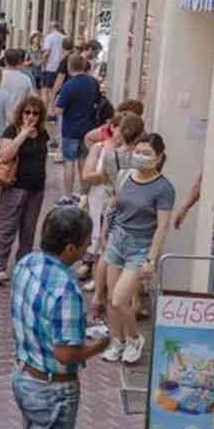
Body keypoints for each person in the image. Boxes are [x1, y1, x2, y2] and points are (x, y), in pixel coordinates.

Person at [6, 206, 109, 429]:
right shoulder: (67, 288)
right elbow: (67, 353)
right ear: (69, 248)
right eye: (85, 243)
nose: (87, 249)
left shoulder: (26, 264)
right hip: (53, 387)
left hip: (24, 375)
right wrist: (99, 345)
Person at [100, 133, 174, 365]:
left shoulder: (164, 189)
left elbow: (162, 227)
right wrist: (106, 229)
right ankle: (118, 341)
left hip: (140, 247)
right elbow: (116, 205)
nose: (141, 157)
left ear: (159, 157)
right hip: (117, 240)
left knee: (120, 299)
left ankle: (134, 338)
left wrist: (151, 259)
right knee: (111, 298)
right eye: (138, 152)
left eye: (147, 153)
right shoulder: (125, 176)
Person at [82, 112, 145, 294]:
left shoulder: (110, 155)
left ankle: (100, 295)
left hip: (111, 206)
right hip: (136, 208)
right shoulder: (141, 158)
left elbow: (102, 177)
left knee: (105, 251)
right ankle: (130, 297)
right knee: (132, 255)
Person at [0, 96, 51, 285]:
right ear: (21, 113)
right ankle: (0, 267)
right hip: (15, 187)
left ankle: (23, 264)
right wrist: (23, 133)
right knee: (7, 227)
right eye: (27, 112)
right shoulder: (12, 130)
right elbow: (5, 155)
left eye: (35, 113)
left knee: (28, 230)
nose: (31, 116)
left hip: (36, 189)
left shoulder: (43, 134)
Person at [52, 55, 100, 196]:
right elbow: (97, 102)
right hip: (88, 130)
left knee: (69, 163)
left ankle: (68, 195)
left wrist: (55, 106)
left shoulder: (68, 85)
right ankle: (83, 195)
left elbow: (59, 110)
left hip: (70, 130)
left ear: (70, 67)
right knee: (84, 162)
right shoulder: (93, 82)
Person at [2, 48, 37, 118]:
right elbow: (32, 97)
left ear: (5, 61)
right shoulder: (26, 79)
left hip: (1, 116)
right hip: (18, 115)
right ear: (19, 61)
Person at [41, 22, 67, 104]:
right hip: (60, 67)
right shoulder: (64, 38)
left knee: (45, 90)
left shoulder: (49, 37)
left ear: (52, 28)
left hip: (49, 67)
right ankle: (52, 108)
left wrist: (43, 63)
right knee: (55, 90)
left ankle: (45, 109)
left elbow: (47, 52)